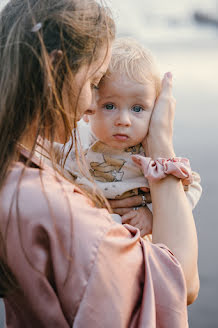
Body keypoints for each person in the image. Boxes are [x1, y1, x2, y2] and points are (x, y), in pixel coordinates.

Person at [0, 0, 199, 327]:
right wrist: (161, 140)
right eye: (94, 84)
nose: (92, 105)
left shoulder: (17, 169)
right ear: (56, 69)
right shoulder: (64, 215)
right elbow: (180, 283)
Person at [60, 38, 202, 236]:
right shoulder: (76, 143)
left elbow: (190, 188)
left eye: (137, 108)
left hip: (137, 243)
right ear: (89, 107)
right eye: (109, 106)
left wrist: (152, 215)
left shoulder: (154, 159)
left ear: (154, 112)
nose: (123, 120)